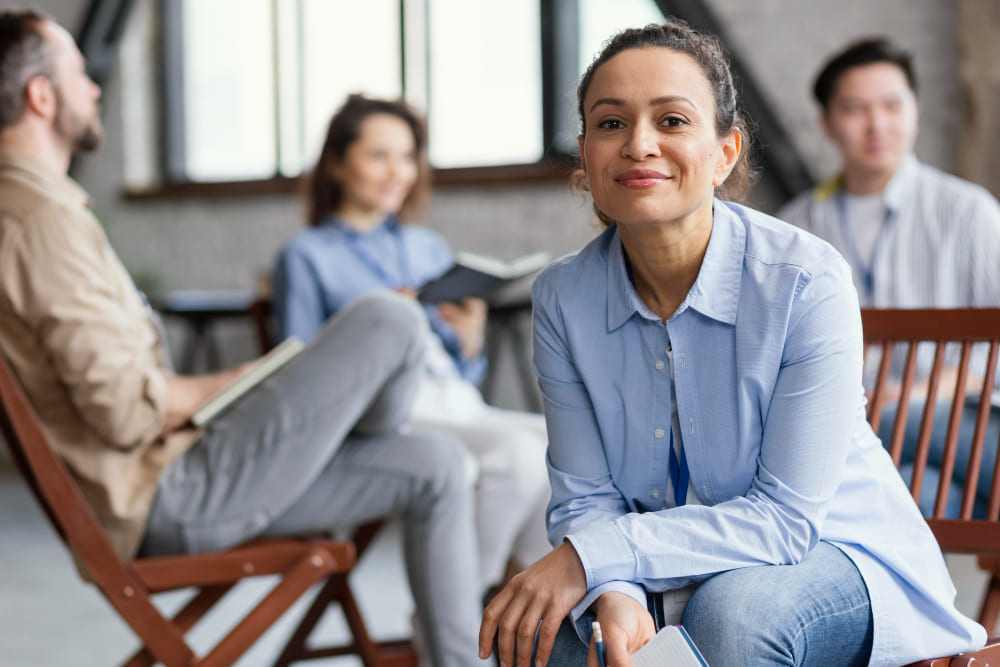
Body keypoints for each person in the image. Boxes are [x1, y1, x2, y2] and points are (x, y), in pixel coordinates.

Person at [478, 20, 985, 667]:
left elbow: (783, 520)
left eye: (671, 120)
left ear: (724, 152)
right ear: (584, 152)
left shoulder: (805, 279)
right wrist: (612, 587)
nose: (639, 144)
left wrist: (593, 556)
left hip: (837, 552)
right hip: (669, 559)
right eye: (610, 124)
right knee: (552, 635)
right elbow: (586, 494)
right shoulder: (561, 298)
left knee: (732, 615)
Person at [0, 11, 482, 666]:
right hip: (167, 493)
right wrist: (238, 380)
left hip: (174, 475)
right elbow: (123, 409)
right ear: (41, 95)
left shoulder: (38, 211)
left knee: (438, 465)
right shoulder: (40, 223)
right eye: (82, 74)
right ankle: (353, 423)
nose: (95, 87)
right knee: (389, 318)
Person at [272, 94, 550, 598]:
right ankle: (467, 605)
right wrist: (381, 322)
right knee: (516, 456)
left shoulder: (427, 247)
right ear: (337, 164)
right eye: (378, 156)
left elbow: (460, 376)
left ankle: (531, 596)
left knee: (562, 445)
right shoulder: (307, 255)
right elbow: (299, 373)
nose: (397, 171)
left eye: (407, 156)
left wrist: (470, 344)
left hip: (453, 401)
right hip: (384, 415)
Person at [778, 38, 1000, 517]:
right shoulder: (794, 228)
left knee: (865, 438)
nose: (877, 125)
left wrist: (916, 392)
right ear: (827, 123)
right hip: (874, 440)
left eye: (892, 106)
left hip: (960, 421)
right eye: (856, 109)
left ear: (915, 111)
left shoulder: (968, 212)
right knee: (896, 497)